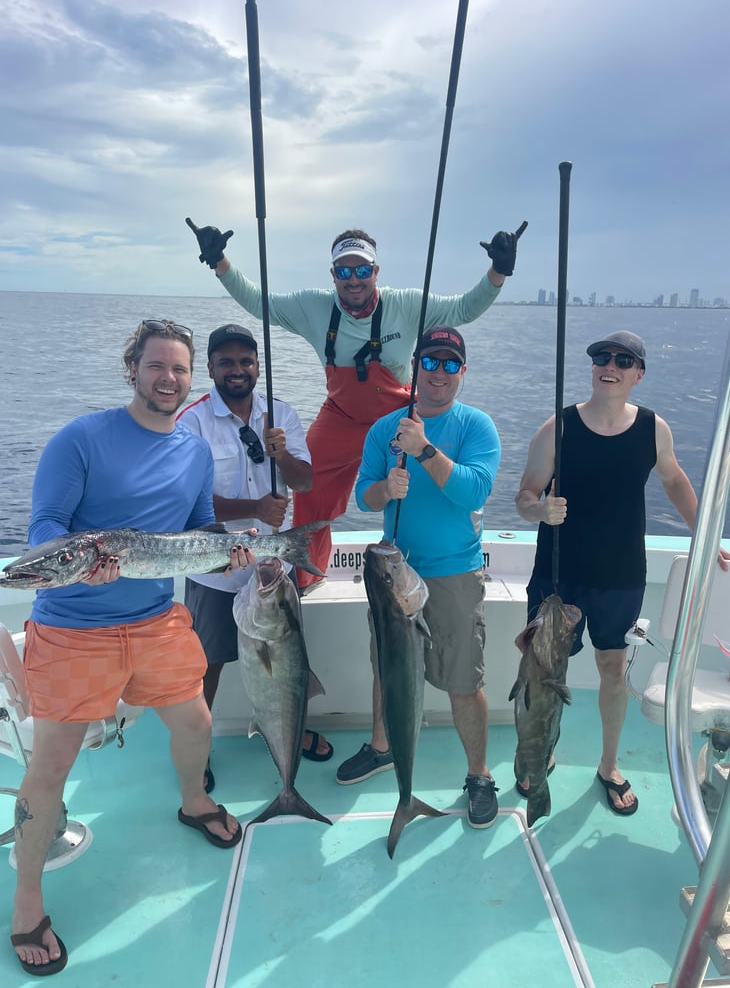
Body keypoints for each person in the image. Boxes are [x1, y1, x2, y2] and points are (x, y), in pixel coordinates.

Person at [10, 320, 249, 977]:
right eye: (155, 366)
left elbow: (199, 525)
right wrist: (85, 563)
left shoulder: (194, 452)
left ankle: (194, 801)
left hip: (154, 618)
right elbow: (45, 528)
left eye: (178, 368)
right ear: (131, 369)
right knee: (52, 767)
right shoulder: (81, 438)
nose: (168, 378)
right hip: (71, 627)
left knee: (196, 721)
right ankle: (26, 903)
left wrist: (236, 544)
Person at [186, 217, 526, 591]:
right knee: (307, 485)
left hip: (396, 416)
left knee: (412, 488)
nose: (354, 279)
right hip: (341, 415)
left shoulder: (407, 303)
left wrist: (498, 270)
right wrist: (220, 262)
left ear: (376, 271)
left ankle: (415, 565)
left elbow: (463, 309)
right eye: (345, 270)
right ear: (333, 274)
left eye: (362, 269)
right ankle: (306, 575)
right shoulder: (311, 306)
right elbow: (258, 302)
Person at [514, 330, 730, 816]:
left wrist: (705, 534)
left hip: (620, 576)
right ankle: (542, 750)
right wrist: (540, 510)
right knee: (546, 670)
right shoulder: (558, 428)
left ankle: (609, 765)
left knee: (613, 670)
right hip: (558, 575)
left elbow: (675, 479)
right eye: (601, 357)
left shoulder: (654, 429)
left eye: (622, 359)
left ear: (638, 373)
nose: (608, 365)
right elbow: (524, 495)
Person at [335, 325, 502, 830]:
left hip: (453, 573)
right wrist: (386, 487)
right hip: (394, 572)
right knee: (389, 671)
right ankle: (383, 746)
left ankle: (478, 774)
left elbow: (473, 493)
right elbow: (362, 495)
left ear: (463, 373)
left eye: (451, 364)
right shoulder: (383, 428)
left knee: (461, 680)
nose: (439, 373)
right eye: (430, 362)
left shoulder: (476, 427)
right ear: (416, 368)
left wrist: (426, 451)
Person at [178, 323, 332, 790]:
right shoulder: (193, 421)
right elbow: (188, 501)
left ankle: (290, 727)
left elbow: (304, 482)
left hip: (271, 570)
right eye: (226, 362)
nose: (237, 370)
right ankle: (196, 748)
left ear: (257, 367)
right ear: (210, 368)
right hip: (215, 572)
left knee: (288, 659)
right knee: (207, 665)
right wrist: (254, 510)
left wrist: (281, 455)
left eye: (246, 361)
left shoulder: (280, 413)